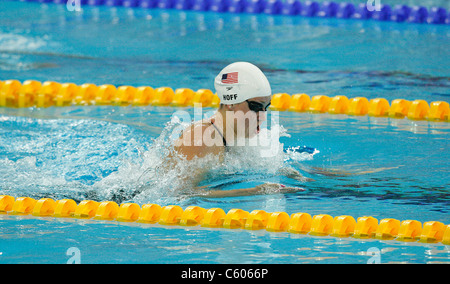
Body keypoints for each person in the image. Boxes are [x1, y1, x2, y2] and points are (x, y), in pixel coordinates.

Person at [173, 62, 305, 197]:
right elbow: (181, 193)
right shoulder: (201, 137)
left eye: (266, 107)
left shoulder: (241, 135)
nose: (263, 117)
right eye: (255, 107)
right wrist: (254, 191)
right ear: (231, 103)